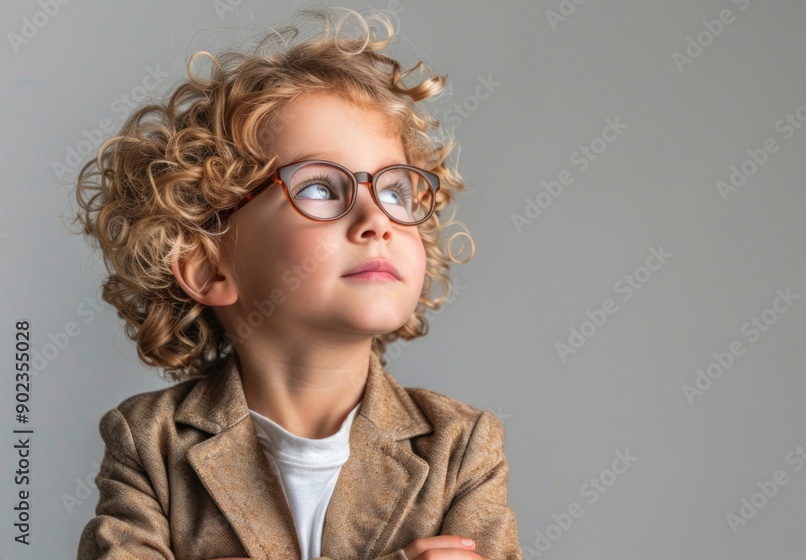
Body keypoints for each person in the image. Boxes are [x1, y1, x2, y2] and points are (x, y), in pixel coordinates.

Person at [70, 7, 521, 560]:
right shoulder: (149, 441)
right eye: (318, 189)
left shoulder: (461, 445)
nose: (377, 218)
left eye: (397, 191)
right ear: (211, 265)